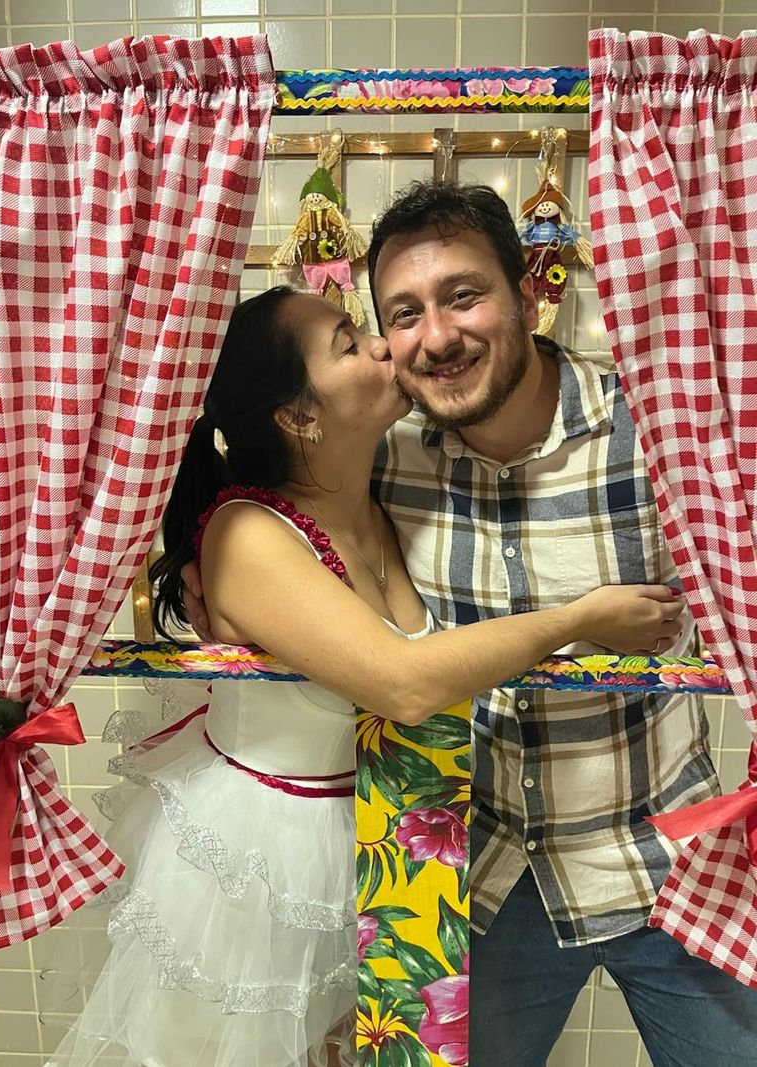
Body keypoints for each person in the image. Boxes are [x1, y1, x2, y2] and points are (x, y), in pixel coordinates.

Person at [180, 182, 757, 1066]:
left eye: (463, 295)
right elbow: (289, 507)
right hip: (480, 878)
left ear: (527, 293)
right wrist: (212, 572)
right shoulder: (386, 455)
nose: (432, 337)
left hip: (670, 853)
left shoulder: (656, 435)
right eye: (400, 314)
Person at [45, 285, 682, 1067]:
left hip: (372, 840)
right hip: (261, 864)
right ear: (299, 416)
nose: (383, 345)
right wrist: (580, 619)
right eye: (350, 343)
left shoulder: (377, 499)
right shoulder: (248, 534)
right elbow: (406, 683)